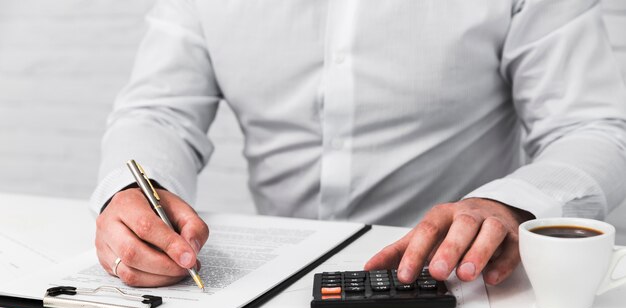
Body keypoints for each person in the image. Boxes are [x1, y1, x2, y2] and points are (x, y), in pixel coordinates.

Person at [91, 0, 626, 288]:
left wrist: (507, 203)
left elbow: (596, 126)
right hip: (274, 292)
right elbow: (158, 112)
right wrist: (135, 193)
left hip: (464, 286)